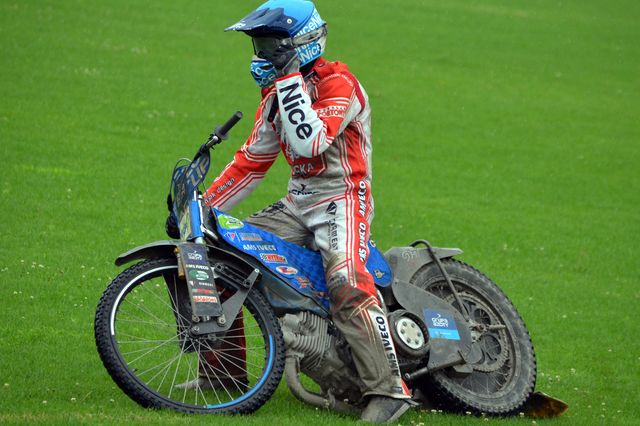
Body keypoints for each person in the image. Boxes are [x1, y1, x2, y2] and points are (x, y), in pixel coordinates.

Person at [194, 0, 411, 422]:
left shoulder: (338, 82)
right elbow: (252, 162)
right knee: (223, 255)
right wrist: (203, 208)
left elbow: (311, 143)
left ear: (299, 44)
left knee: (346, 281)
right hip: (299, 202)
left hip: (343, 197)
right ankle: (223, 374)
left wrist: (289, 79)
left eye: (269, 46)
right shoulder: (275, 95)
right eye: (258, 45)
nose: (260, 55)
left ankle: (390, 390)